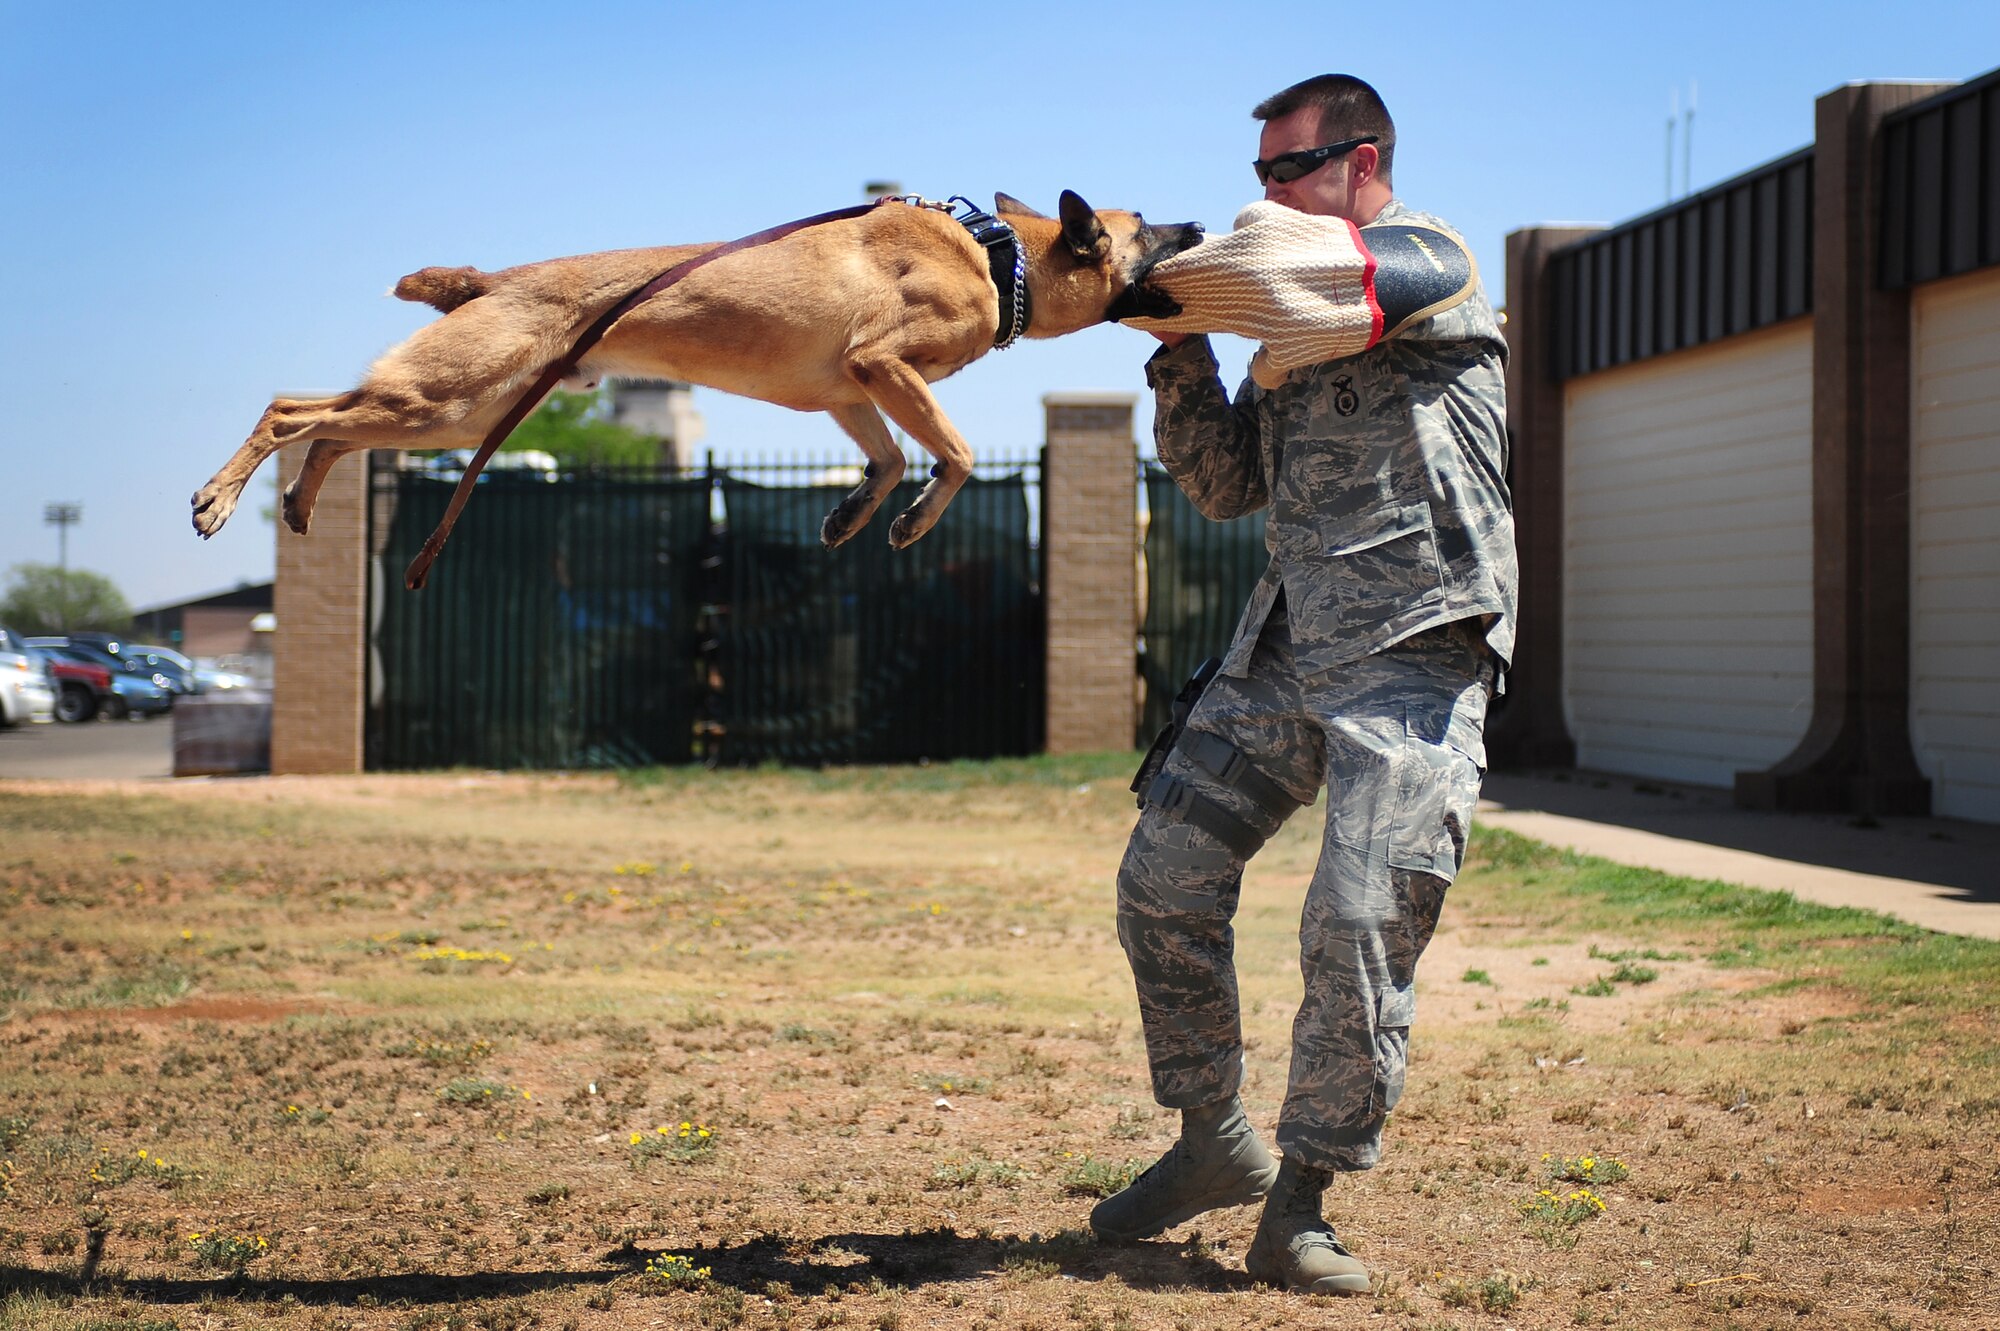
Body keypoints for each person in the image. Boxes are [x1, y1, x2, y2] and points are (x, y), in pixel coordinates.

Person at [1091, 74, 1517, 1294]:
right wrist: (1175, 348)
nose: (1262, 195)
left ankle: (1300, 1200)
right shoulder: (1284, 339)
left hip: (1414, 645)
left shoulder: (1421, 261)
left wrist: (1145, 276)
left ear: (1359, 161)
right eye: (1261, 173)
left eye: (1286, 172)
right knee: (1160, 879)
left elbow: (1295, 284)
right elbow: (1226, 485)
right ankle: (1208, 1139)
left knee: (1356, 921)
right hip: (1284, 643)